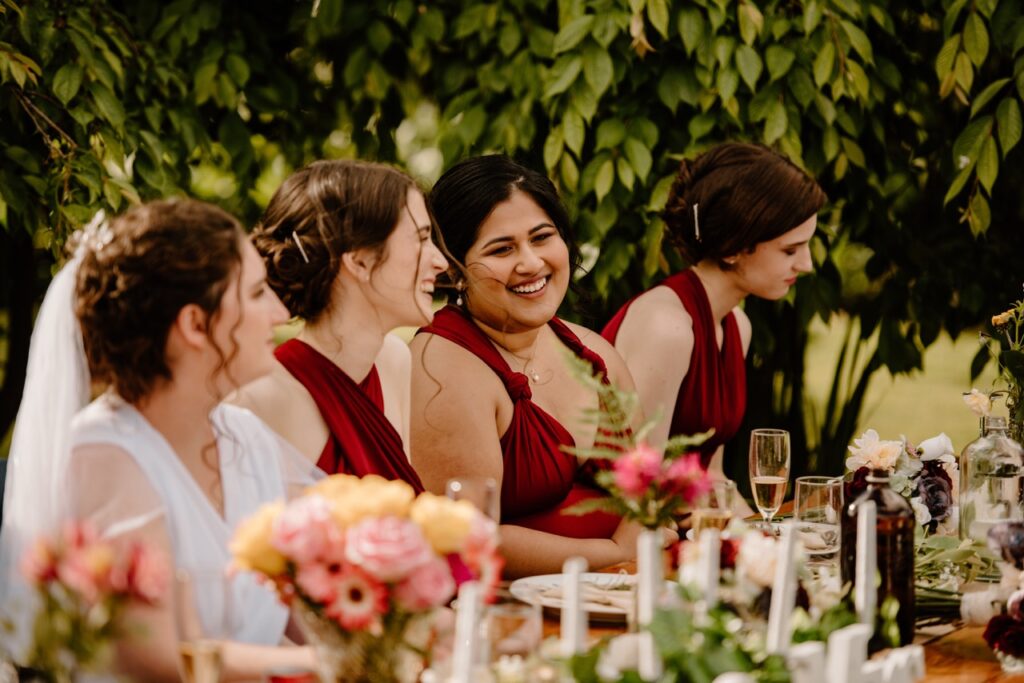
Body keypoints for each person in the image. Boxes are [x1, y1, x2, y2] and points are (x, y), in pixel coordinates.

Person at [0, 201, 316, 679]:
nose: (280, 310)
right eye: (256, 293)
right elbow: (162, 656)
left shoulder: (245, 438)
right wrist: (327, 665)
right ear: (194, 324)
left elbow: (315, 601)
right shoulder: (103, 454)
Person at [410, 155, 663, 578]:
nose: (530, 263)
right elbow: (466, 537)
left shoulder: (591, 350)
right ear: (454, 268)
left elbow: (649, 484)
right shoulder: (443, 369)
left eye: (542, 237)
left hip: (622, 594)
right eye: (502, 249)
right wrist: (616, 553)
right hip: (515, 610)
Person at [602, 142, 827, 475]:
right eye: (790, 251)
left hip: (686, 518)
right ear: (733, 247)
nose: (806, 265)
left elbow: (712, 477)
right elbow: (635, 481)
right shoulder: (666, 327)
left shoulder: (737, 325)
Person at [232, 160, 448, 491]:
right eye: (420, 239)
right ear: (359, 261)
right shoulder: (260, 400)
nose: (440, 261)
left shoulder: (393, 361)